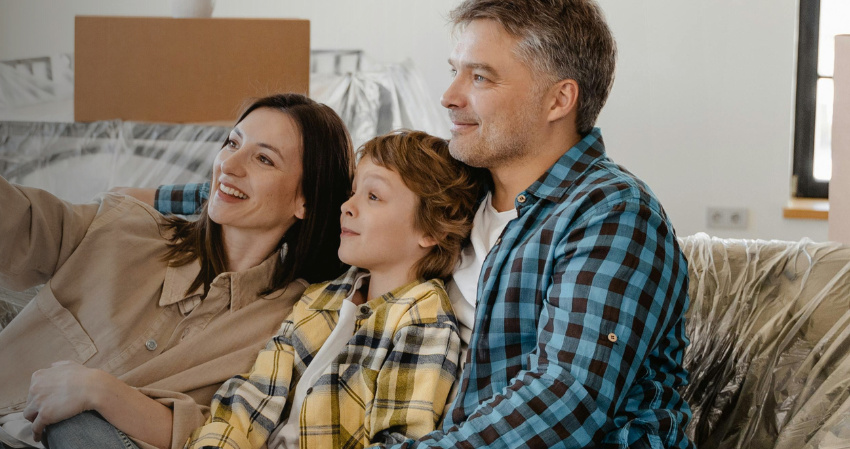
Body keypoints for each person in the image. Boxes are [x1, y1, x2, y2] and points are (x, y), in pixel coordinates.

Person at [0, 7, 357, 449]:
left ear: (307, 200)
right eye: (230, 142)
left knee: (84, 428)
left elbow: (237, 433)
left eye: (263, 159)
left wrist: (104, 393)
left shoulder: (295, 322)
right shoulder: (125, 229)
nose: (228, 166)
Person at [136, 0, 695, 446]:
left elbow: (563, 401)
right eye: (455, 72)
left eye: (481, 77)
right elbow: (301, 187)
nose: (449, 96)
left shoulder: (609, 213)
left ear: (559, 100)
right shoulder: (461, 187)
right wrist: (149, 196)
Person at [188, 131, 487, 449]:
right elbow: (247, 398)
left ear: (431, 229)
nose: (347, 206)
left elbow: (399, 439)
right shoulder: (319, 297)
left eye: (373, 196)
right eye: (353, 192)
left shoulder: (425, 324)